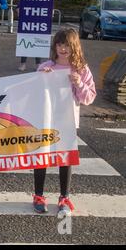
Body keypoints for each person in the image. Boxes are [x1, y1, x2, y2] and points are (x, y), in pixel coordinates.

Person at [33, 28, 96, 215]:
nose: (63, 48)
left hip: (67, 121)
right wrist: (41, 78)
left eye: (67, 44)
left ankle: (64, 196)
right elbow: (31, 94)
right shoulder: (45, 66)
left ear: (74, 46)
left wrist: (79, 83)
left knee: (65, 159)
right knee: (41, 157)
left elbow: (88, 98)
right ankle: (38, 195)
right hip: (44, 120)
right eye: (60, 44)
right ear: (55, 46)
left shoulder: (81, 69)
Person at [18, 0, 45, 72]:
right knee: (25, 43)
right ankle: (23, 64)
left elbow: (48, 9)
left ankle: (38, 65)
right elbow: (18, 8)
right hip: (27, 25)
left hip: (39, 25)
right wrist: (19, 11)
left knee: (38, 44)